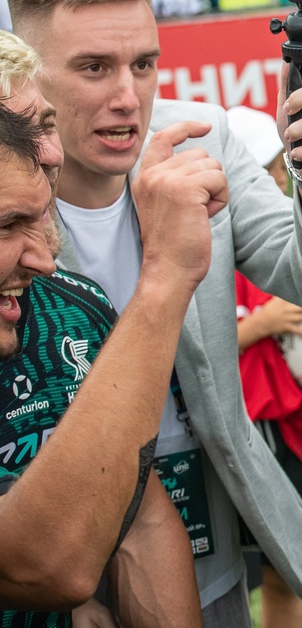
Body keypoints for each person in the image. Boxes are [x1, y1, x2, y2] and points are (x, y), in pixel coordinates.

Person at [8, 0, 302, 626]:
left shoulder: (203, 138)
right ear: (28, 71)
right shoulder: (9, 190)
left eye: (144, 64)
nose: (127, 95)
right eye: (94, 67)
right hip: (54, 546)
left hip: (209, 535)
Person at [0, 35, 218, 618]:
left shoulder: (73, 306)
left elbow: (137, 518)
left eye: (45, 125)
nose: (44, 261)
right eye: (8, 226)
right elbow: (37, 565)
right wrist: (165, 279)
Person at [226, 105, 302, 628]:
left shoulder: (288, 233)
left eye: (277, 169)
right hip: (238, 433)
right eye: (266, 170)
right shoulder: (207, 249)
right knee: (230, 580)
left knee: (287, 572)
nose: (277, 180)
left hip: (287, 424)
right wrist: (262, 324)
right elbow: (189, 346)